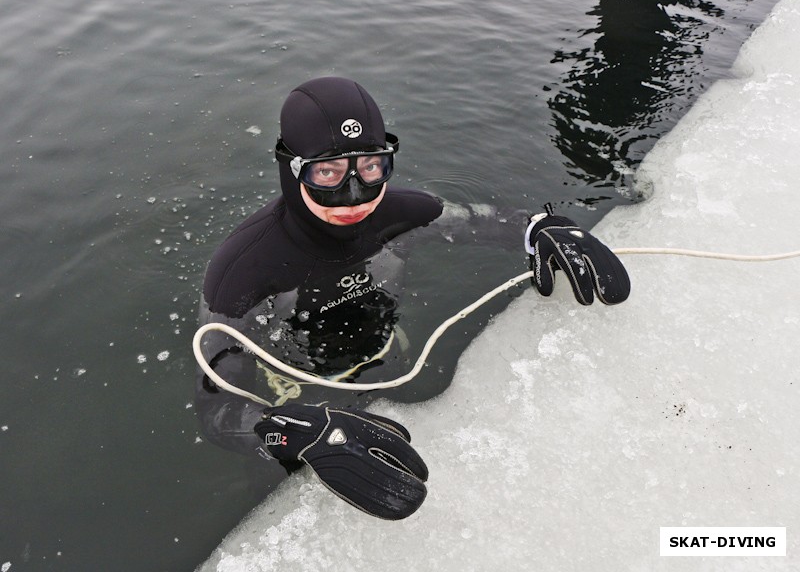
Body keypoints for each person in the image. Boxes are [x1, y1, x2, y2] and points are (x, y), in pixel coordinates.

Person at [194, 76, 630, 519]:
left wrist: (540, 228)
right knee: (287, 505)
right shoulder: (242, 269)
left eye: (370, 166)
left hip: (390, 359)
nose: (354, 194)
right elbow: (217, 408)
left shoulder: (401, 213)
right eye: (326, 172)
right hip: (296, 395)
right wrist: (283, 433)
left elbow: (485, 222)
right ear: (290, 167)